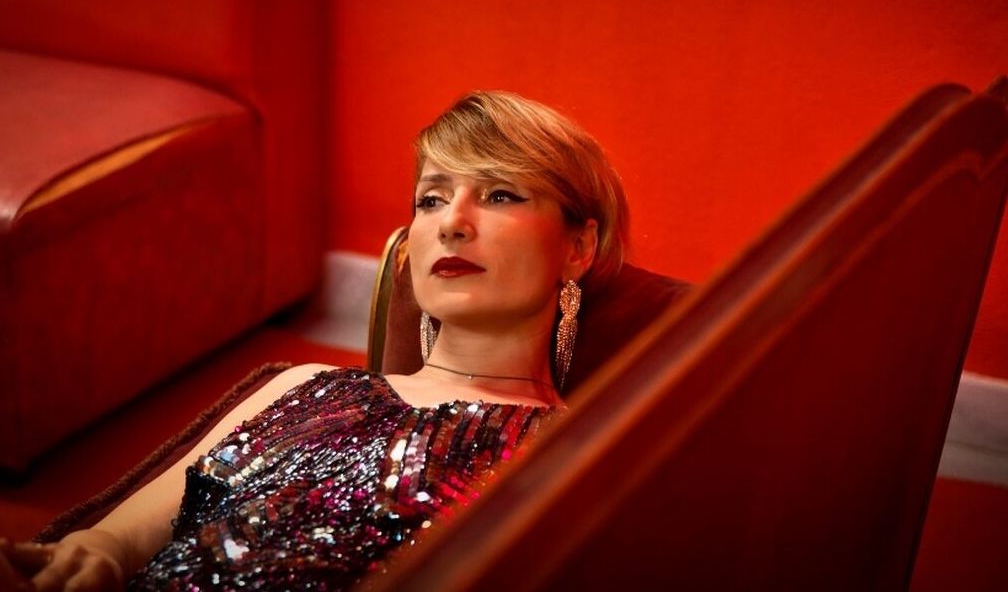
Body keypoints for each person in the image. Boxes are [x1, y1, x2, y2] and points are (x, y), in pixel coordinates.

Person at [0, 90, 629, 591]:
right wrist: (90, 556)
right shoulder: (307, 384)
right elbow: (111, 543)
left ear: (578, 246)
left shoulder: (567, 456)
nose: (452, 224)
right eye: (431, 199)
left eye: (499, 194)